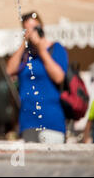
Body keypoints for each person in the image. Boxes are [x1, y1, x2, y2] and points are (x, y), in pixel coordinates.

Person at [6, 11, 68, 144]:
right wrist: (24, 43)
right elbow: (9, 70)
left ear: (41, 28)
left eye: (34, 28)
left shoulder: (55, 48)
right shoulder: (25, 54)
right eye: (27, 29)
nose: (31, 32)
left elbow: (59, 77)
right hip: (28, 121)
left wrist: (41, 49)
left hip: (51, 121)